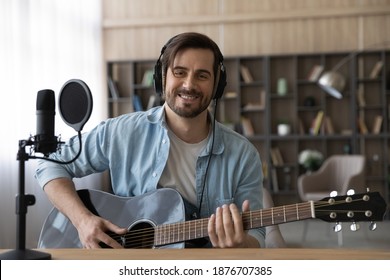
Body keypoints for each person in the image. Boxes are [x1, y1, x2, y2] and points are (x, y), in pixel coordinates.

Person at [35, 32, 265, 249]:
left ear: (217, 85)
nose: (189, 84)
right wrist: (82, 220)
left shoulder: (244, 155)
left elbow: (257, 236)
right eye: (179, 72)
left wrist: (241, 242)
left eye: (202, 75)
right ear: (162, 77)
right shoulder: (120, 132)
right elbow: (50, 164)